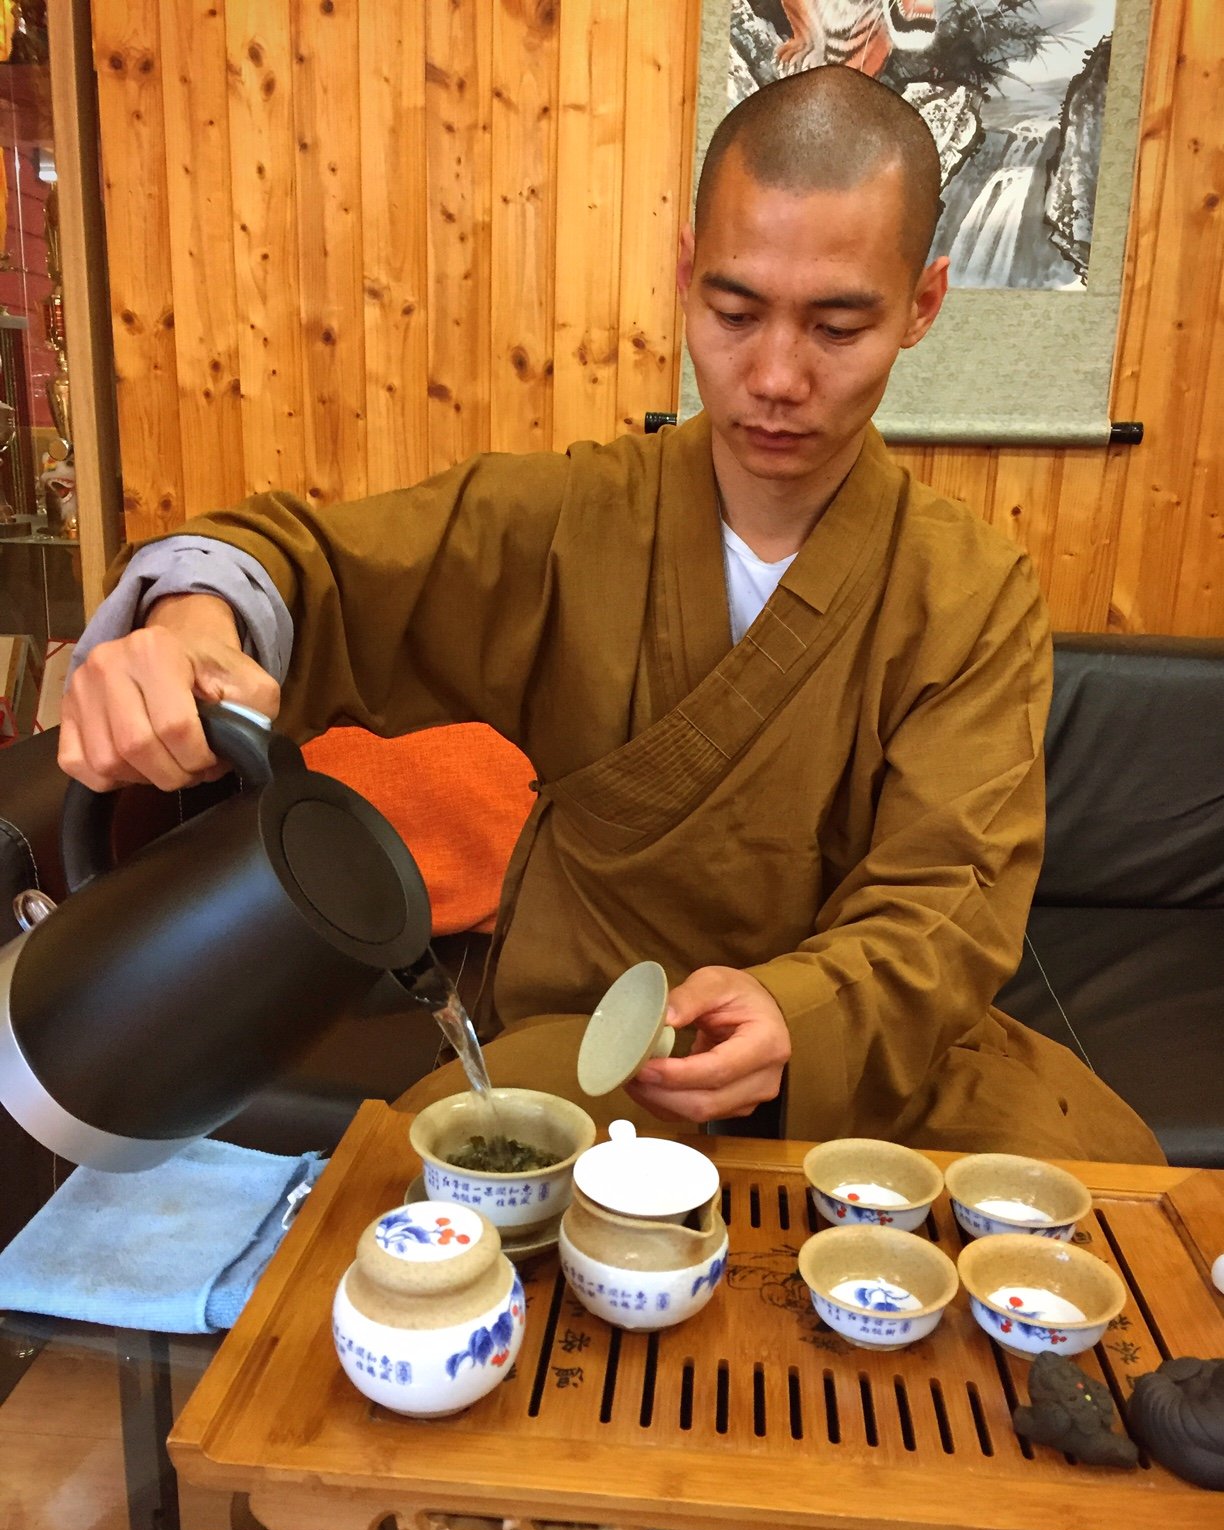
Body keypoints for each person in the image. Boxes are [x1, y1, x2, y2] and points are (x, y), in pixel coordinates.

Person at [58, 66, 1162, 1163]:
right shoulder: (568, 523)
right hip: (601, 1044)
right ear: (685, 275)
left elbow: (952, 895)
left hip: (865, 1043)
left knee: (1100, 1202)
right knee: (440, 1192)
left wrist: (799, 1011)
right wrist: (193, 625)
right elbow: (313, 566)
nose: (776, 377)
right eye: (735, 312)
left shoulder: (969, 595)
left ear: (922, 304)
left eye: (837, 327)